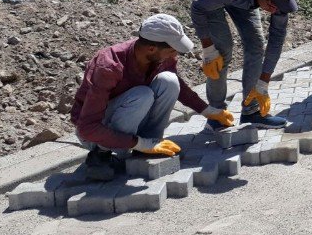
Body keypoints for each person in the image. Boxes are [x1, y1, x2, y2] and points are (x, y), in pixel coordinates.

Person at [72, 14, 235, 181]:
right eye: (172, 51)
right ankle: (101, 154)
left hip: (128, 115)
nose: (174, 56)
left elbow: (178, 86)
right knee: (142, 94)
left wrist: (208, 111)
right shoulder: (109, 66)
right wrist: (138, 143)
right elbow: (87, 127)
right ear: (152, 49)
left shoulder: (158, 58)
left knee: (169, 81)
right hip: (95, 132)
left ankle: (149, 144)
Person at [191, 0, 298, 129]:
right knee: (223, 50)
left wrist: (263, 82)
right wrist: (208, 48)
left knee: (256, 45)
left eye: (279, 6)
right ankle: (216, 114)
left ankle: (252, 112)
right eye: (271, 5)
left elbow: (277, 39)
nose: (275, 10)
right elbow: (198, 7)